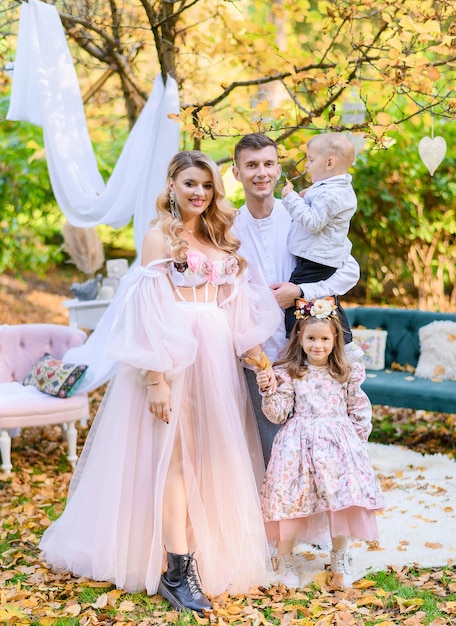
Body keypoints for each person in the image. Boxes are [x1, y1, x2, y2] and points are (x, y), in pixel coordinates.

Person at [39, 151, 281, 615]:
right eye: (190, 183)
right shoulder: (158, 239)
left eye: (207, 186)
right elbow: (148, 310)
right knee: (175, 460)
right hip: (176, 358)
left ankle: (208, 553)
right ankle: (176, 570)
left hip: (217, 363)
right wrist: (156, 379)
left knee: (210, 459)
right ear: (172, 184)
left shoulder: (220, 238)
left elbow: (237, 309)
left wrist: (256, 359)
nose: (199, 193)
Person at [231, 132, 361, 466]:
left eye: (269, 164)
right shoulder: (229, 229)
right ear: (236, 172)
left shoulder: (303, 215)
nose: (262, 172)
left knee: (319, 456)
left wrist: (301, 292)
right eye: (252, 165)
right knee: (268, 453)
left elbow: (348, 272)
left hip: (309, 353)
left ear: (277, 169)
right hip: (257, 353)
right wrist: (253, 352)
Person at [255, 298, 384, 589]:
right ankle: (284, 559)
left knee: (339, 500)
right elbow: (277, 414)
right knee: (290, 499)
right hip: (297, 445)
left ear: (335, 339)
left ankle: (340, 556)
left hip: (338, 445)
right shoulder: (289, 373)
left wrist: (358, 441)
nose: (317, 345)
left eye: (324, 338)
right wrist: (268, 390)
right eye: (311, 338)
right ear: (299, 337)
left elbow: (358, 407)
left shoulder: (345, 372)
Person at [281, 132, 357, 340]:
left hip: (316, 261)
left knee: (299, 305)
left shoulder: (332, 193)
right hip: (318, 258)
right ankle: (342, 341)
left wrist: (291, 199)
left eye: (311, 160)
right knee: (324, 303)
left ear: (330, 162)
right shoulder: (333, 188)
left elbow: (313, 223)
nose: (306, 165)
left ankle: (301, 343)